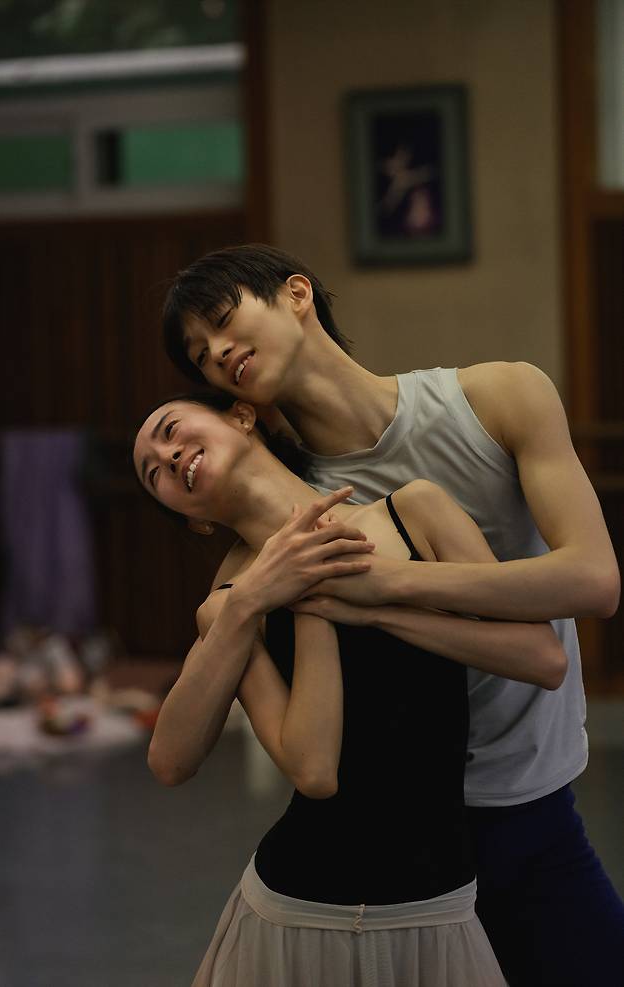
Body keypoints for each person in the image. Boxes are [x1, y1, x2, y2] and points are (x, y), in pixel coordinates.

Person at [160, 244, 624, 987]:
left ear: (298, 294)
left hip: (528, 806)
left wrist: (388, 588)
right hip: (397, 843)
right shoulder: (282, 536)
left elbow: (594, 581)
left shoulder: (498, 397)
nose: (216, 352)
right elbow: (215, 753)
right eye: (200, 357)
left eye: (222, 321)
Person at [134, 392, 571, 985]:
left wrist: (379, 610)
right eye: (152, 473)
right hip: (296, 915)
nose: (167, 457)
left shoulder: (414, 512)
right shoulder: (229, 609)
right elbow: (295, 771)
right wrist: (272, 599)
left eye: (169, 430)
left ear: (241, 416)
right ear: (195, 520)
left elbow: (542, 658)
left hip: (438, 906)